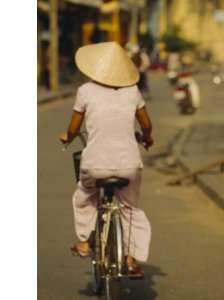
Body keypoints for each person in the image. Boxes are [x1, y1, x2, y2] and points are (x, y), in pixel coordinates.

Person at [59, 42, 154, 277]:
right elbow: (146, 124)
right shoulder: (133, 91)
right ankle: (131, 259)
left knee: (84, 196)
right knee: (130, 209)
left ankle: (83, 242)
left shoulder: (85, 91)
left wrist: (67, 136)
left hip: (95, 165)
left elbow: (73, 128)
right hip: (129, 165)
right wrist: (146, 138)